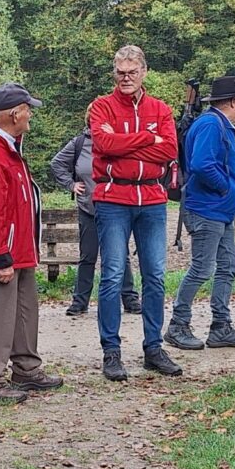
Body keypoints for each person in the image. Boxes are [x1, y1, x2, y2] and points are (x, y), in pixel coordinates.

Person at [90, 45, 182, 382]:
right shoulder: (101, 106)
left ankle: (153, 347)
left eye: (132, 72)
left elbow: (169, 149)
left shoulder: (161, 108)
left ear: (144, 72)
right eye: (120, 72)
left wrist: (124, 142)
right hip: (113, 198)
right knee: (113, 275)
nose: (126, 78)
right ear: (114, 73)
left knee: (155, 275)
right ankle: (111, 351)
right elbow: (104, 146)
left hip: (152, 199)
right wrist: (147, 138)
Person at [0, 82, 63, 403]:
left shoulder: (8, 147)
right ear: (14, 114)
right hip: (3, 253)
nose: (30, 115)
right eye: (27, 110)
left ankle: (26, 368)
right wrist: (0, 256)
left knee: (24, 311)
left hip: (18, 250)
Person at [164, 75, 235, 351]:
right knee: (202, 268)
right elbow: (202, 164)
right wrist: (226, 188)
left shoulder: (218, 124)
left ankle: (220, 327)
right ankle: (177, 325)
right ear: (232, 101)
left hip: (218, 210)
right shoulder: (210, 124)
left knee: (228, 266)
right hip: (207, 209)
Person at [49, 106, 141, 316]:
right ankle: (80, 302)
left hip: (116, 207)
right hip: (88, 208)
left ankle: (130, 299)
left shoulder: (119, 139)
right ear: (89, 119)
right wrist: (71, 184)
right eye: (95, 117)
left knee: (120, 254)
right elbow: (57, 164)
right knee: (88, 256)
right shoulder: (79, 143)